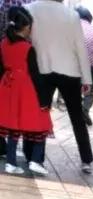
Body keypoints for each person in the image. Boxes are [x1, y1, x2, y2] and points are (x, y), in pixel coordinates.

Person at [27, 0, 92, 172]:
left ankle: (33, 156)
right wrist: (87, 79)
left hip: (41, 69)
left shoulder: (30, 9)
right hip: (69, 71)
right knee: (77, 117)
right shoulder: (72, 15)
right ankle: (86, 159)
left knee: (38, 114)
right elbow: (80, 48)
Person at [0, 6, 50, 175]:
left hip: (7, 87)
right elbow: (36, 76)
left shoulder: (3, 44)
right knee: (41, 121)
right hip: (25, 88)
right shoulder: (28, 48)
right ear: (26, 27)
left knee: (13, 126)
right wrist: (44, 100)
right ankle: (35, 160)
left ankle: (11, 162)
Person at [75, 6, 93, 125]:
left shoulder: (71, 30)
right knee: (90, 93)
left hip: (74, 66)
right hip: (91, 67)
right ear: (89, 18)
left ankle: (78, 113)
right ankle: (84, 109)